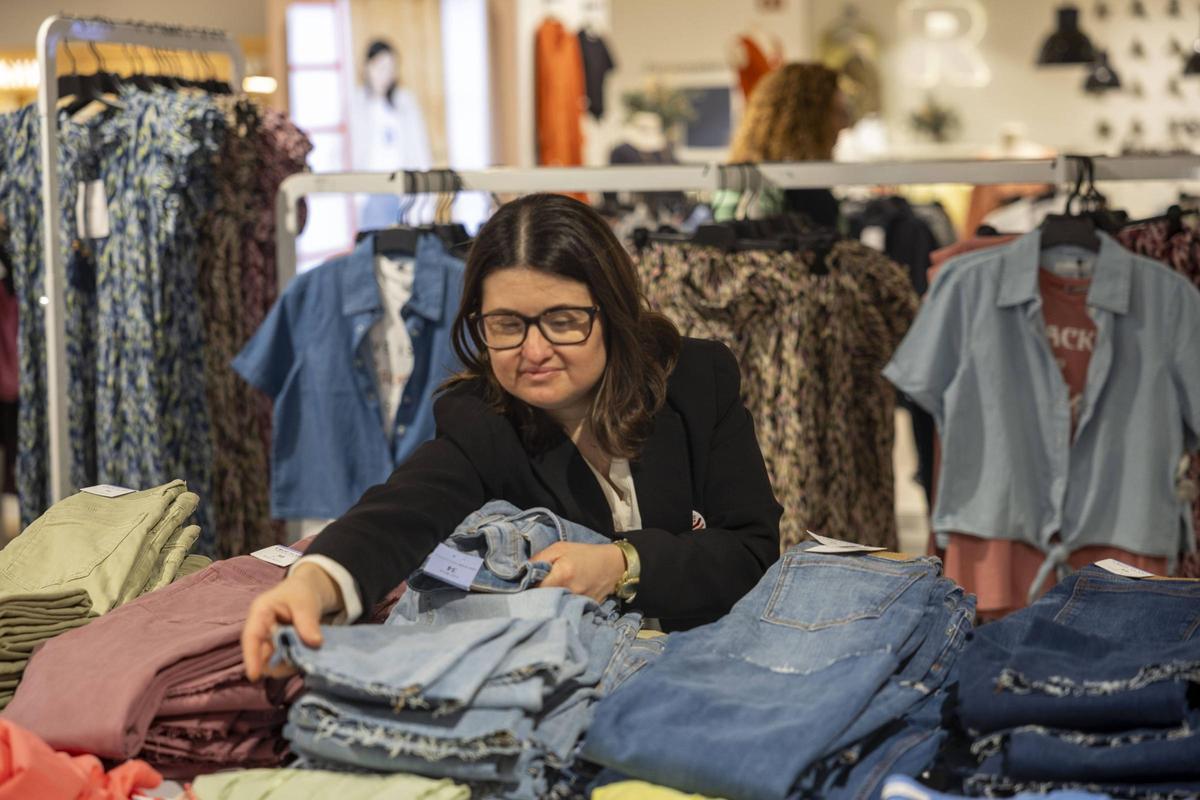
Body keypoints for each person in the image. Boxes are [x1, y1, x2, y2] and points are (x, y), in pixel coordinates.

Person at [242, 193, 782, 680]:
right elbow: (399, 511)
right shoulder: (482, 419)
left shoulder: (694, 381)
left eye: (563, 320)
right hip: (569, 687)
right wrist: (314, 582)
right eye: (506, 325)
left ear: (612, 310)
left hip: (716, 666)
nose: (534, 350)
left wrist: (623, 564)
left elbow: (750, 549)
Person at [715, 62, 850, 226]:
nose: (844, 125)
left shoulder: (735, 182)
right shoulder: (805, 193)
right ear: (811, 120)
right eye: (838, 113)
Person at [352, 39, 433, 230]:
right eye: (380, 67)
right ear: (367, 67)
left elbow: (419, 148)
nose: (385, 74)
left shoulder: (404, 102)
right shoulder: (357, 103)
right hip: (370, 189)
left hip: (402, 187)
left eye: (390, 68)